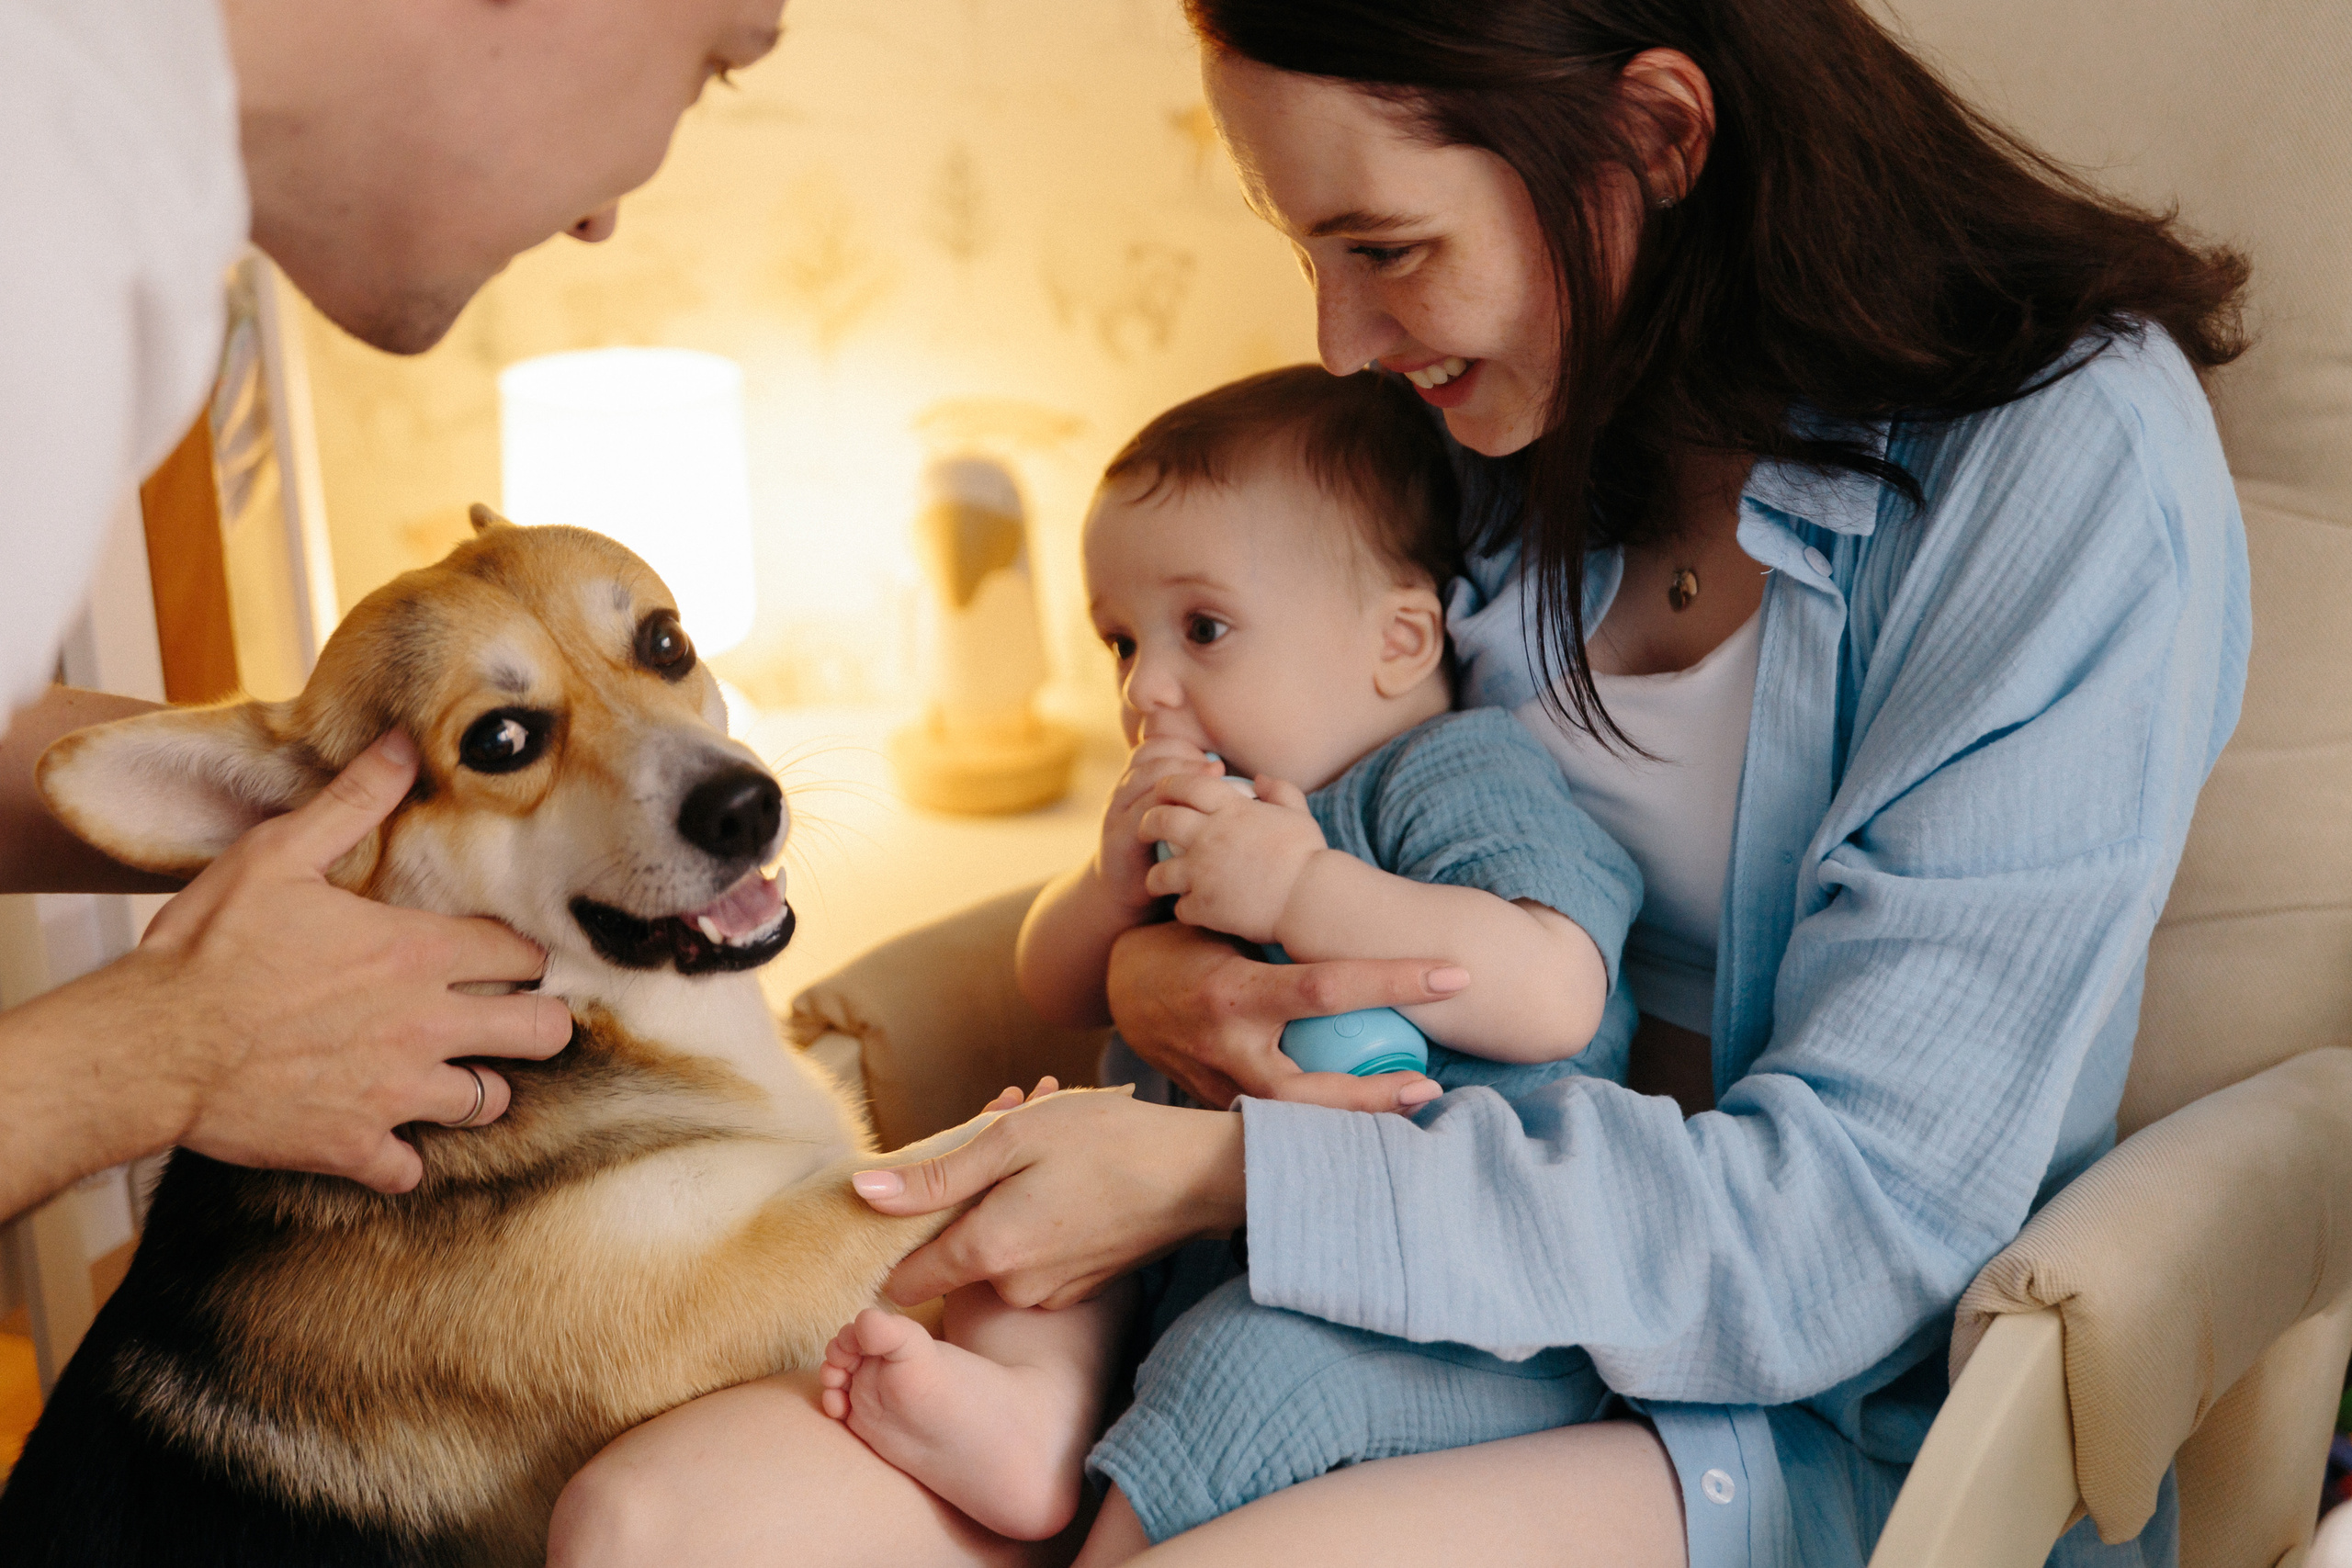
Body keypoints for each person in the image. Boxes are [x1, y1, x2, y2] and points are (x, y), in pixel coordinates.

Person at [548, 1, 2250, 1564]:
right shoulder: (1499, 413)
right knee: (651, 1521)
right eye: (1311, 251)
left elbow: (1845, 1229)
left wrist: (1228, 1179)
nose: (1344, 340)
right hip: (1341, 1270)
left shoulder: (2059, 464)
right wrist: (1167, 971)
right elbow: (1268, 820)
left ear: (1658, 137)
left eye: (1387, 249)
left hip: (1795, 1399)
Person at [811, 365, 1645, 1542]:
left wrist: (1305, 885)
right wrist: (1104, 890)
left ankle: (1120, 1536)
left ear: (1399, 639)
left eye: (1202, 629)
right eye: (1119, 643)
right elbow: (1049, 985)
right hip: (1182, 1233)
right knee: (1029, 1240)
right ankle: (1026, 1422)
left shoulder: (1448, 775)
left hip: (1426, 1292)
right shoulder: (1192, 813)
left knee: (1239, 1367)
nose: (1146, 688)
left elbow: (1555, 992)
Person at [0, 0, 790, 1224]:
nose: (604, 214)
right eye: (713, 69)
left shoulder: (92, 204)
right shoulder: (33, 257)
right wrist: (162, 1049)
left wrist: (315, 803)